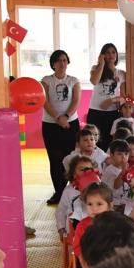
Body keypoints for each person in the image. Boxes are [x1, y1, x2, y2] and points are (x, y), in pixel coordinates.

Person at [41, 49, 80, 205]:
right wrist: (58, 117)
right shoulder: (46, 80)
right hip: (51, 125)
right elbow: (44, 101)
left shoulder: (73, 80)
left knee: (71, 158)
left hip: (71, 124)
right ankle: (59, 192)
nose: (62, 63)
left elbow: (76, 101)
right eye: (58, 60)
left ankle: (73, 191)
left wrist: (66, 116)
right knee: (55, 159)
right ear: (53, 64)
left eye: (64, 60)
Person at [87, 43, 125, 150]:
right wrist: (101, 64)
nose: (111, 55)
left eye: (113, 52)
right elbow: (94, 81)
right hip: (95, 111)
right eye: (107, 52)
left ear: (116, 55)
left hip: (112, 112)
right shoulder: (95, 68)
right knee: (93, 143)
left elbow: (124, 97)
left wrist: (112, 100)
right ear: (102, 55)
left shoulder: (121, 73)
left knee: (109, 143)